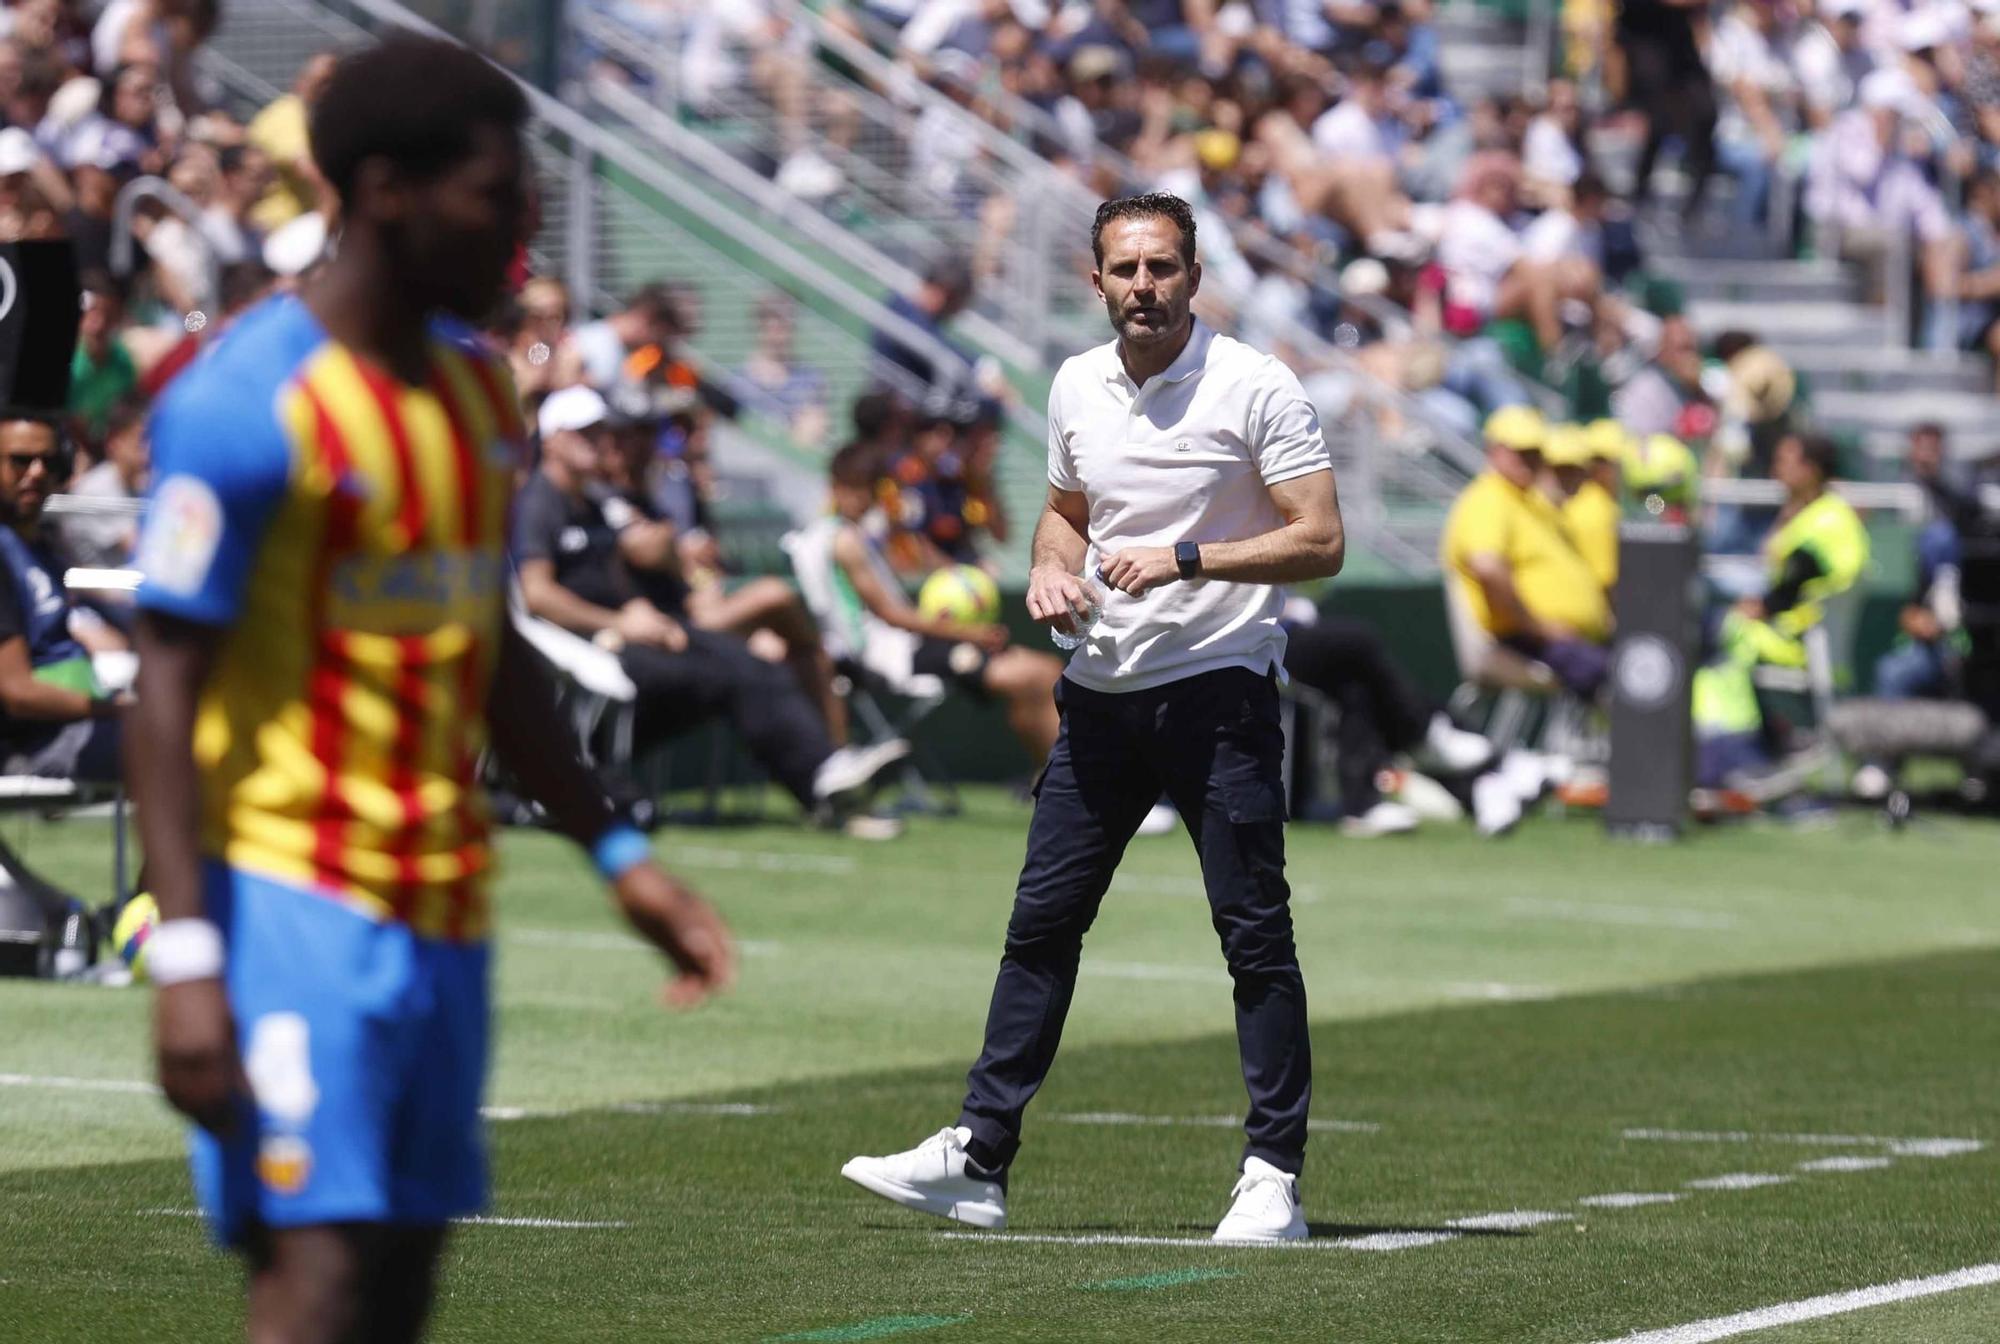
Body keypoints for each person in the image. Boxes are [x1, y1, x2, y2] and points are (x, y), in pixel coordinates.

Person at [124, 39, 737, 1344]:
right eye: (495, 194)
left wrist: (617, 850)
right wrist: (185, 959)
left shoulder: (473, 392)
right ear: (387, 189)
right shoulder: (245, 401)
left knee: (399, 1291)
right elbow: (162, 692)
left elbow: (492, 647)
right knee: (316, 1285)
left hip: (444, 907)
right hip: (289, 908)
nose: (519, 226)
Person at [842, 193, 1345, 1244]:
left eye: (1162, 267)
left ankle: (1271, 1176)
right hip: (1101, 699)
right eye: (1125, 270)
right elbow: (1065, 513)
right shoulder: (1074, 382)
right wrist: (1045, 571)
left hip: (1219, 691)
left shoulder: (1255, 383)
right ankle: (980, 1157)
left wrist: (1187, 556)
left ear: (1194, 277)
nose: (1144, 287)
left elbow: (1320, 539)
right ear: (1097, 281)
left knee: (1252, 937)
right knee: (1039, 927)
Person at [513, 385, 908, 834]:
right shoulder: (539, 501)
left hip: (638, 636)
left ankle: (826, 776)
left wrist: (653, 608)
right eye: (587, 433)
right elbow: (537, 595)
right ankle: (821, 781)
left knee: (750, 661)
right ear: (554, 438)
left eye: (602, 431)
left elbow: (641, 565)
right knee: (734, 671)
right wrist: (621, 621)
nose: (600, 441)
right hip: (589, 652)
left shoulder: (598, 504)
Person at [818, 440, 1061, 765]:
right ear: (836, 487)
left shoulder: (853, 534)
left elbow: (913, 565)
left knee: (1040, 677)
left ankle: (1048, 779)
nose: (863, 498)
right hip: (897, 657)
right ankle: (1067, 787)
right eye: (855, 488)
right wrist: (966, 633)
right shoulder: (845, 541)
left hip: (908, 649)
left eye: (869, 488)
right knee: (1039, 675)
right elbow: (889, 615)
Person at [1691, 432, 1870, 786]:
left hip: (1796, 642)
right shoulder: (1816, 513)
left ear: (1812, 470)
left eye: (1786, 461)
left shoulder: (1824, 520)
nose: (1776, 468)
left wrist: (1762, 607)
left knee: (1719, 638)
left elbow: (1800, 582)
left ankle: (1732, 753)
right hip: (1798, 634)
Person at [1440, 406, 1611, 697]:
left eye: (1535, 451)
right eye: (1521, 451)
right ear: (1494, 451)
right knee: (1631, 683)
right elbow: (1488, 568)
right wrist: (1539, 627)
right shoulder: (1489, 499)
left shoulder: (1527, 502)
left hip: (1558, 640)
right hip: (1522, 641)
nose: (1529, 460)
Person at [0, 409, 126, 781]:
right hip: (29, 745)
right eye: (20, 461)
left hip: (72, 723)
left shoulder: (44, 550)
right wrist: (115, 709)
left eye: (50, 462)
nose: (37, 472)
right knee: (174, 743)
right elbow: (17, 693)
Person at [56, 393, 147, 570]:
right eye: (139, 442)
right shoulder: (94, 492)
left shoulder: (139, 483)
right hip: (96, 591)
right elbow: (143, 548)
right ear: (115, 443)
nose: (147, 451)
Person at [1544, 423, 1620, 592]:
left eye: (1575, 470)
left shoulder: (1591, 508)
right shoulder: (1594, 509)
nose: (1567, 479)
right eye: (1558, 470)